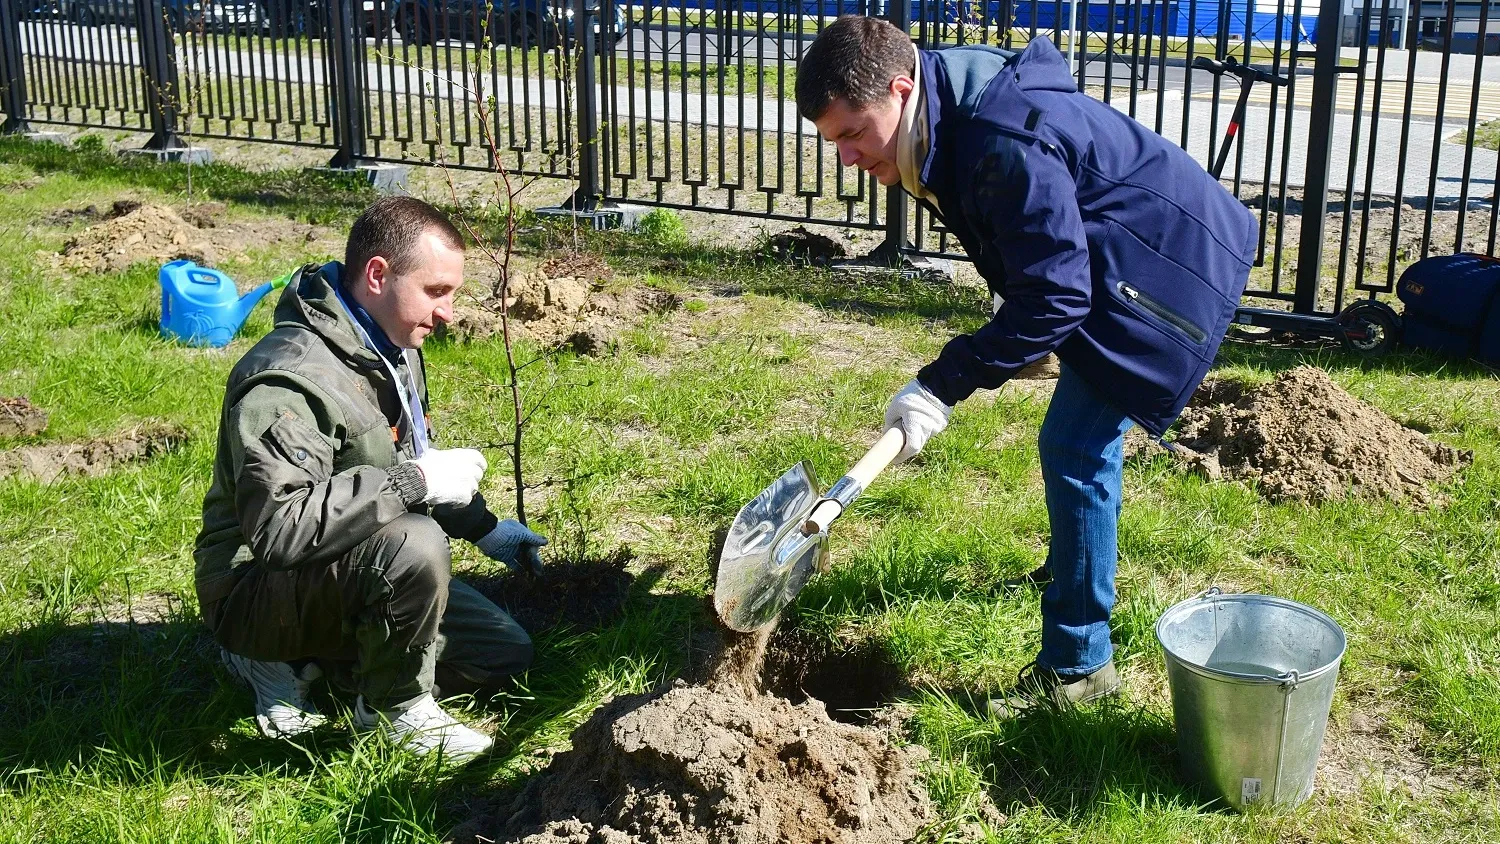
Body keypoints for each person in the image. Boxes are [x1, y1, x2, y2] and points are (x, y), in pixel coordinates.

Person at [796, 18, 1255, 716]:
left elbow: (1059, 294)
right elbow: (1027, 241)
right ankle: (1070, 568)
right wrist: (1021, 321)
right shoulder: (943, 107)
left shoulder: (998, 142)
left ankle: (1079, 670)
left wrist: (942, 383)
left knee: (1074, 447)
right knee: (1073, 438)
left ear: (900, 87)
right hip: (1121, 254)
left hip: (1167, 272)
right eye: (834, 142)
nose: (848, 158)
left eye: (853, 133)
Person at [193, 197, 549, 761]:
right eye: (436, 292)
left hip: (341, 559)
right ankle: (387, 710)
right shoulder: (289, 379)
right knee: (416, 543)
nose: (449, 313)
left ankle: (320, 657)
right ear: (378, 275)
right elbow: (279, 531)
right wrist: (413, 485)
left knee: (504, 654)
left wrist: (486, 529)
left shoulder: (385, 345)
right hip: (253, 585)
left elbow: (398, 455)